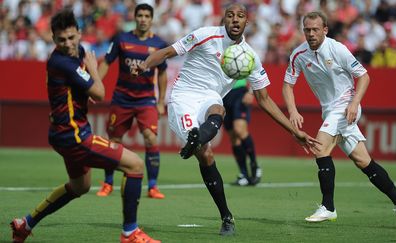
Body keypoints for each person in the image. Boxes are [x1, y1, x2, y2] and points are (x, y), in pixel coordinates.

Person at [137, 3, 320, 236]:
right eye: (230, 15)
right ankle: (199, 145)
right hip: (183, 97)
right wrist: (144, 64)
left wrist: (294, 131)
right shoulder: (205, 35)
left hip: (210, 98)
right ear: (224, 19)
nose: (235, 19)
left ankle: (226, 216)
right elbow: (166, 52)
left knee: (218, 109)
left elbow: (264, 100)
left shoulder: (250, 56)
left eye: (240, 16)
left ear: (247, 22)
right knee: (206, 154)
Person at [10, 9, 160, 243]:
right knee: (135, 165)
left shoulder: (74, 53)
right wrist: (92, 69)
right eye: (61, 40)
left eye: (71, 37)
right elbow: (99, 94)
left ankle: (25, 224)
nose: (68, 44)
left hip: (62, 133)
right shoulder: (62, 62)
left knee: (80, 186)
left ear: (79, 33)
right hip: (75, 136)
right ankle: (130, 233)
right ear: (53, 39)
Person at [282, 11, 396, 228]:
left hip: (345, 107)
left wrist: (354, 104)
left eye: (316, 29)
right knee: (363, 161)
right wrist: (293, 110)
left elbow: (364, 76)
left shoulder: (338, 49)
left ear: (325, 30)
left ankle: (328, 207)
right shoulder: (298, 54)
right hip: (330, 111)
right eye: (307, 30)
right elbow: (288, 84)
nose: (311, 34)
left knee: (320, 148)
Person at [96, 3, 167, 199]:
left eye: (147, 16)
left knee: (150, 138)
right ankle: (108, 183)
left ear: (152, 19)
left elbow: (162, 74)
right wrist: (95, 85)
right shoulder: (122, 39)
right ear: (135, 18)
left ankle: (153, 187)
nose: (143, 19)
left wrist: (161, 101)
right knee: (114, 141)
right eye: (140, 15)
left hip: (146, 100)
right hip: (122, 98)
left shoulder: (159, 45)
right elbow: (107, 63)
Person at [222, 79, 262, 186]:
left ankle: (254, 165)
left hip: (239, 92)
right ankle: (244, 174)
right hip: (223, 93)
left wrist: (250, 92)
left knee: (239, 130)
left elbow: (255, 71)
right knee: (233, 137)